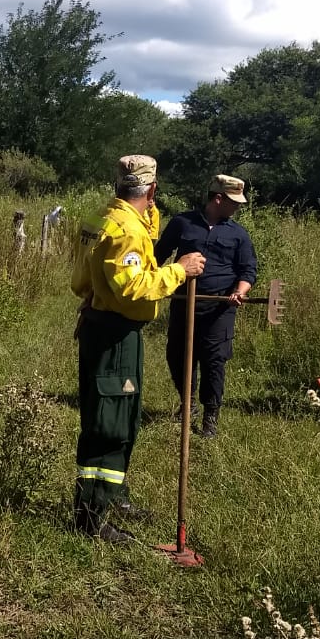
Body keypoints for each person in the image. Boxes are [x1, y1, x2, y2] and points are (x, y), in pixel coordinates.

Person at [71, 155, 205, 543]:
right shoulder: (127, 229)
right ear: (151, 188)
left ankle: (114, 496)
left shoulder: (100, 218)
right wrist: (180, 270)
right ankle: (92, 517)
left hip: (107, 325)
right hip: (114, 334)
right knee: (109, 424)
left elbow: (81, 275)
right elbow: (132, 286)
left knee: (122, 417)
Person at [154, 174, 257, 438]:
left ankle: (210, 417)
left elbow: (248, 270)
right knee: (177, 357)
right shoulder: (182, 223)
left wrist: (239, 291)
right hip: (183, 303)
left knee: (214, 362)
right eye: (233, 201)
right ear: (218, 198)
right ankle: (188, 404)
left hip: (219, 309)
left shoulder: (238, 234)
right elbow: (157, 255)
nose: (238, 207)